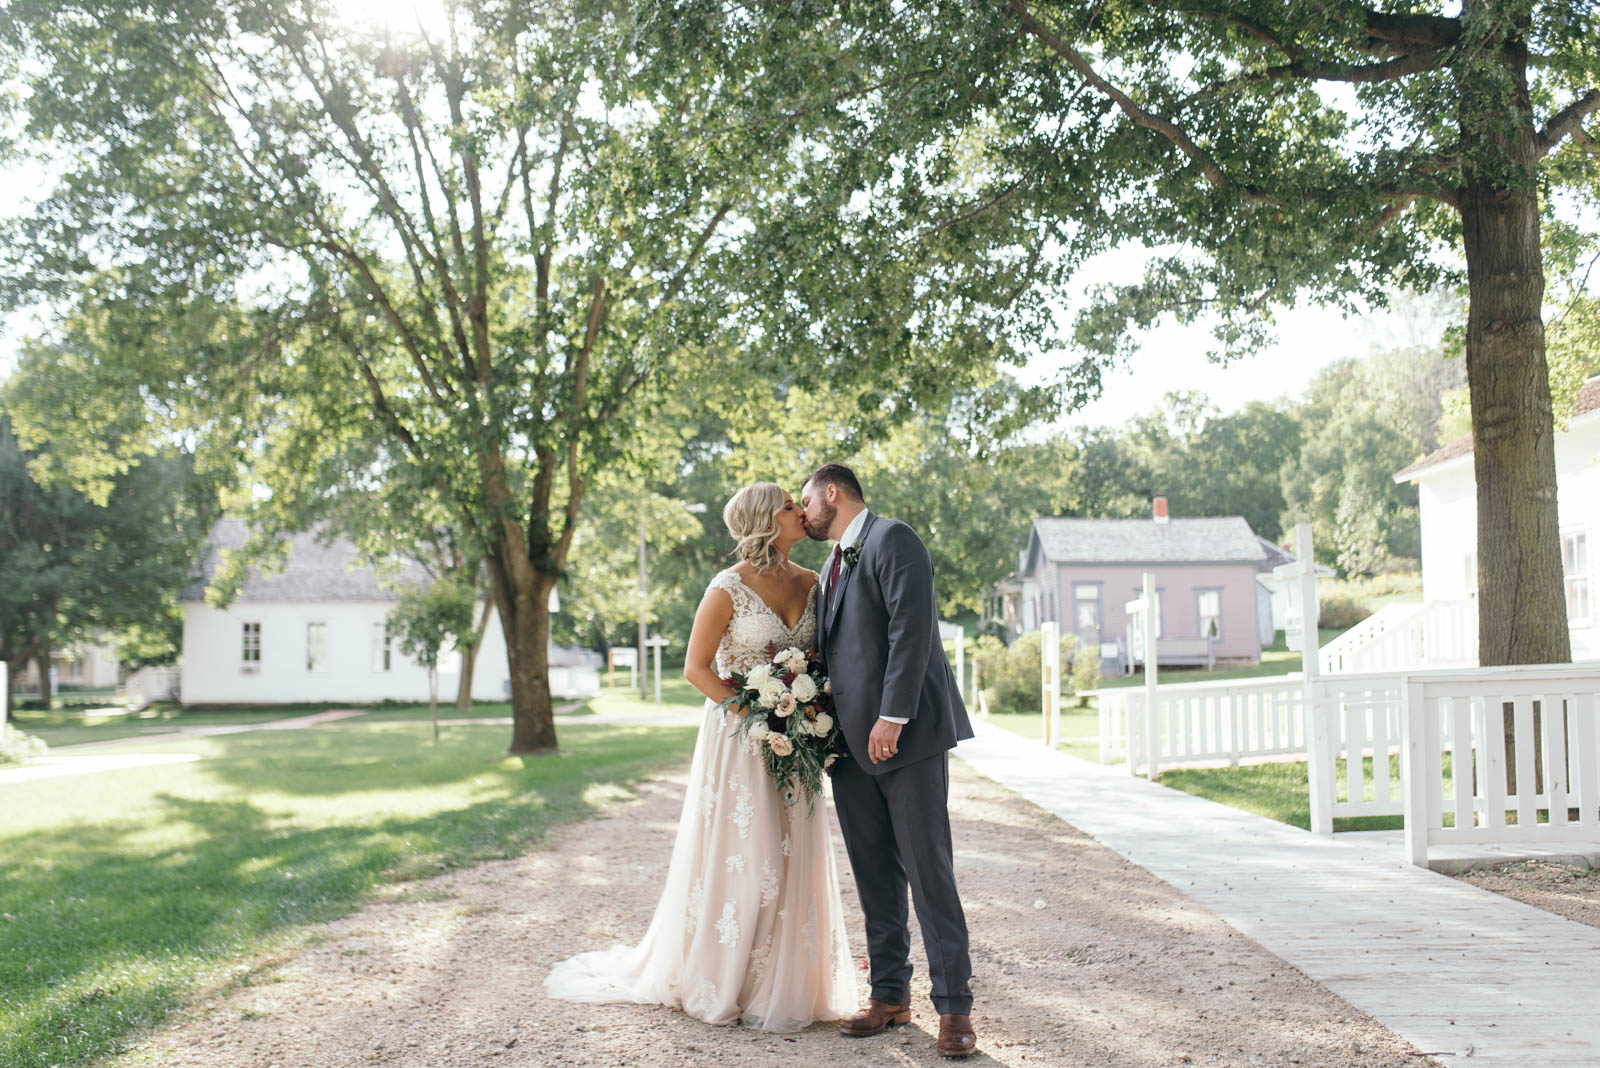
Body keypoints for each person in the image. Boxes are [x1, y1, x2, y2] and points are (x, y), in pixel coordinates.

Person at [544, 482, 856, 1031]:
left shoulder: (814, 582)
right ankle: (723, 976)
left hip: (795, 735)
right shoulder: (727, 588)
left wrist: (802, 713)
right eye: (789, 506)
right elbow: (697, 668)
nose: (800, 512)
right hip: (739, 736)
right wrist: (758, 715)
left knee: (790, 852)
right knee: (746, 851)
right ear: (765, 520)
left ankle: (780, 983)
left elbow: (818, 658)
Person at [799, 462, 978, 1059]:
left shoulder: (892, 538)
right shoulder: (829, 567)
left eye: (808, 503)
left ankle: (954, 1009)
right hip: (848, 751)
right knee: (875, 875)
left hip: (906, 738)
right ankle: (890, 996)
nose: (804, 516)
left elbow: (912, 628)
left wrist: (892, 716)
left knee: (929, 873)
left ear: (832, 493)